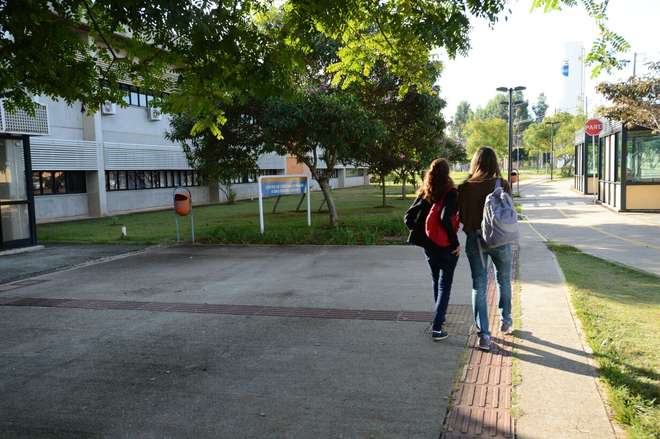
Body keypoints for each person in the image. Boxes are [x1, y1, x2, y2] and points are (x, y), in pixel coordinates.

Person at [458, 147, 513, 352]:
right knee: (503, 279)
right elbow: (508, 211)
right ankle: (506, 320)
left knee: (479, 286)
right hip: (500, 240)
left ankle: (484, 336)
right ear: (495, 163)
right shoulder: (503, 184)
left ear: (475, 162)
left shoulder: (464, 187)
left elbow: (461, 217)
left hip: (476, 240)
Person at [405, 158, 460, 341]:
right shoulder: (451, 192)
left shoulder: (425, 190)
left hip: (428, 245)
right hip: (445, 246)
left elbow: (409, 217)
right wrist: (455, 243)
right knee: (445, 284)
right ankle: (437, 327)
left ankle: (440, 316)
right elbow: (446, 219)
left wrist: (419, 230)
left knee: (437, 280)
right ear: (448, 172)